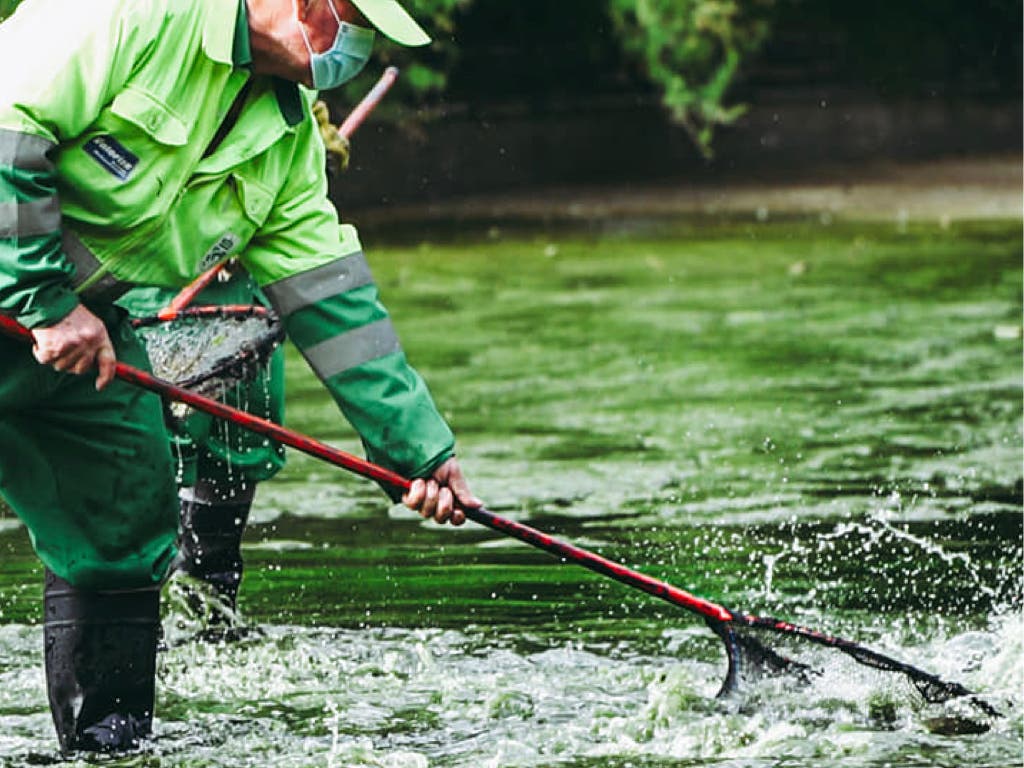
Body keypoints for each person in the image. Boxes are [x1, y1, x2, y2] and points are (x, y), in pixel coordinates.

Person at [0, 0, 480, 754]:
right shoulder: (136, 13)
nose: (354, 48)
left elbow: (330, 293)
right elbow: (7, 126)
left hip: (72, 328)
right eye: (352, 20)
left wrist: (414, 448)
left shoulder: (287, 139)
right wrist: (44, 301)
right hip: (41, 302)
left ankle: (106, 748)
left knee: (127, 500)